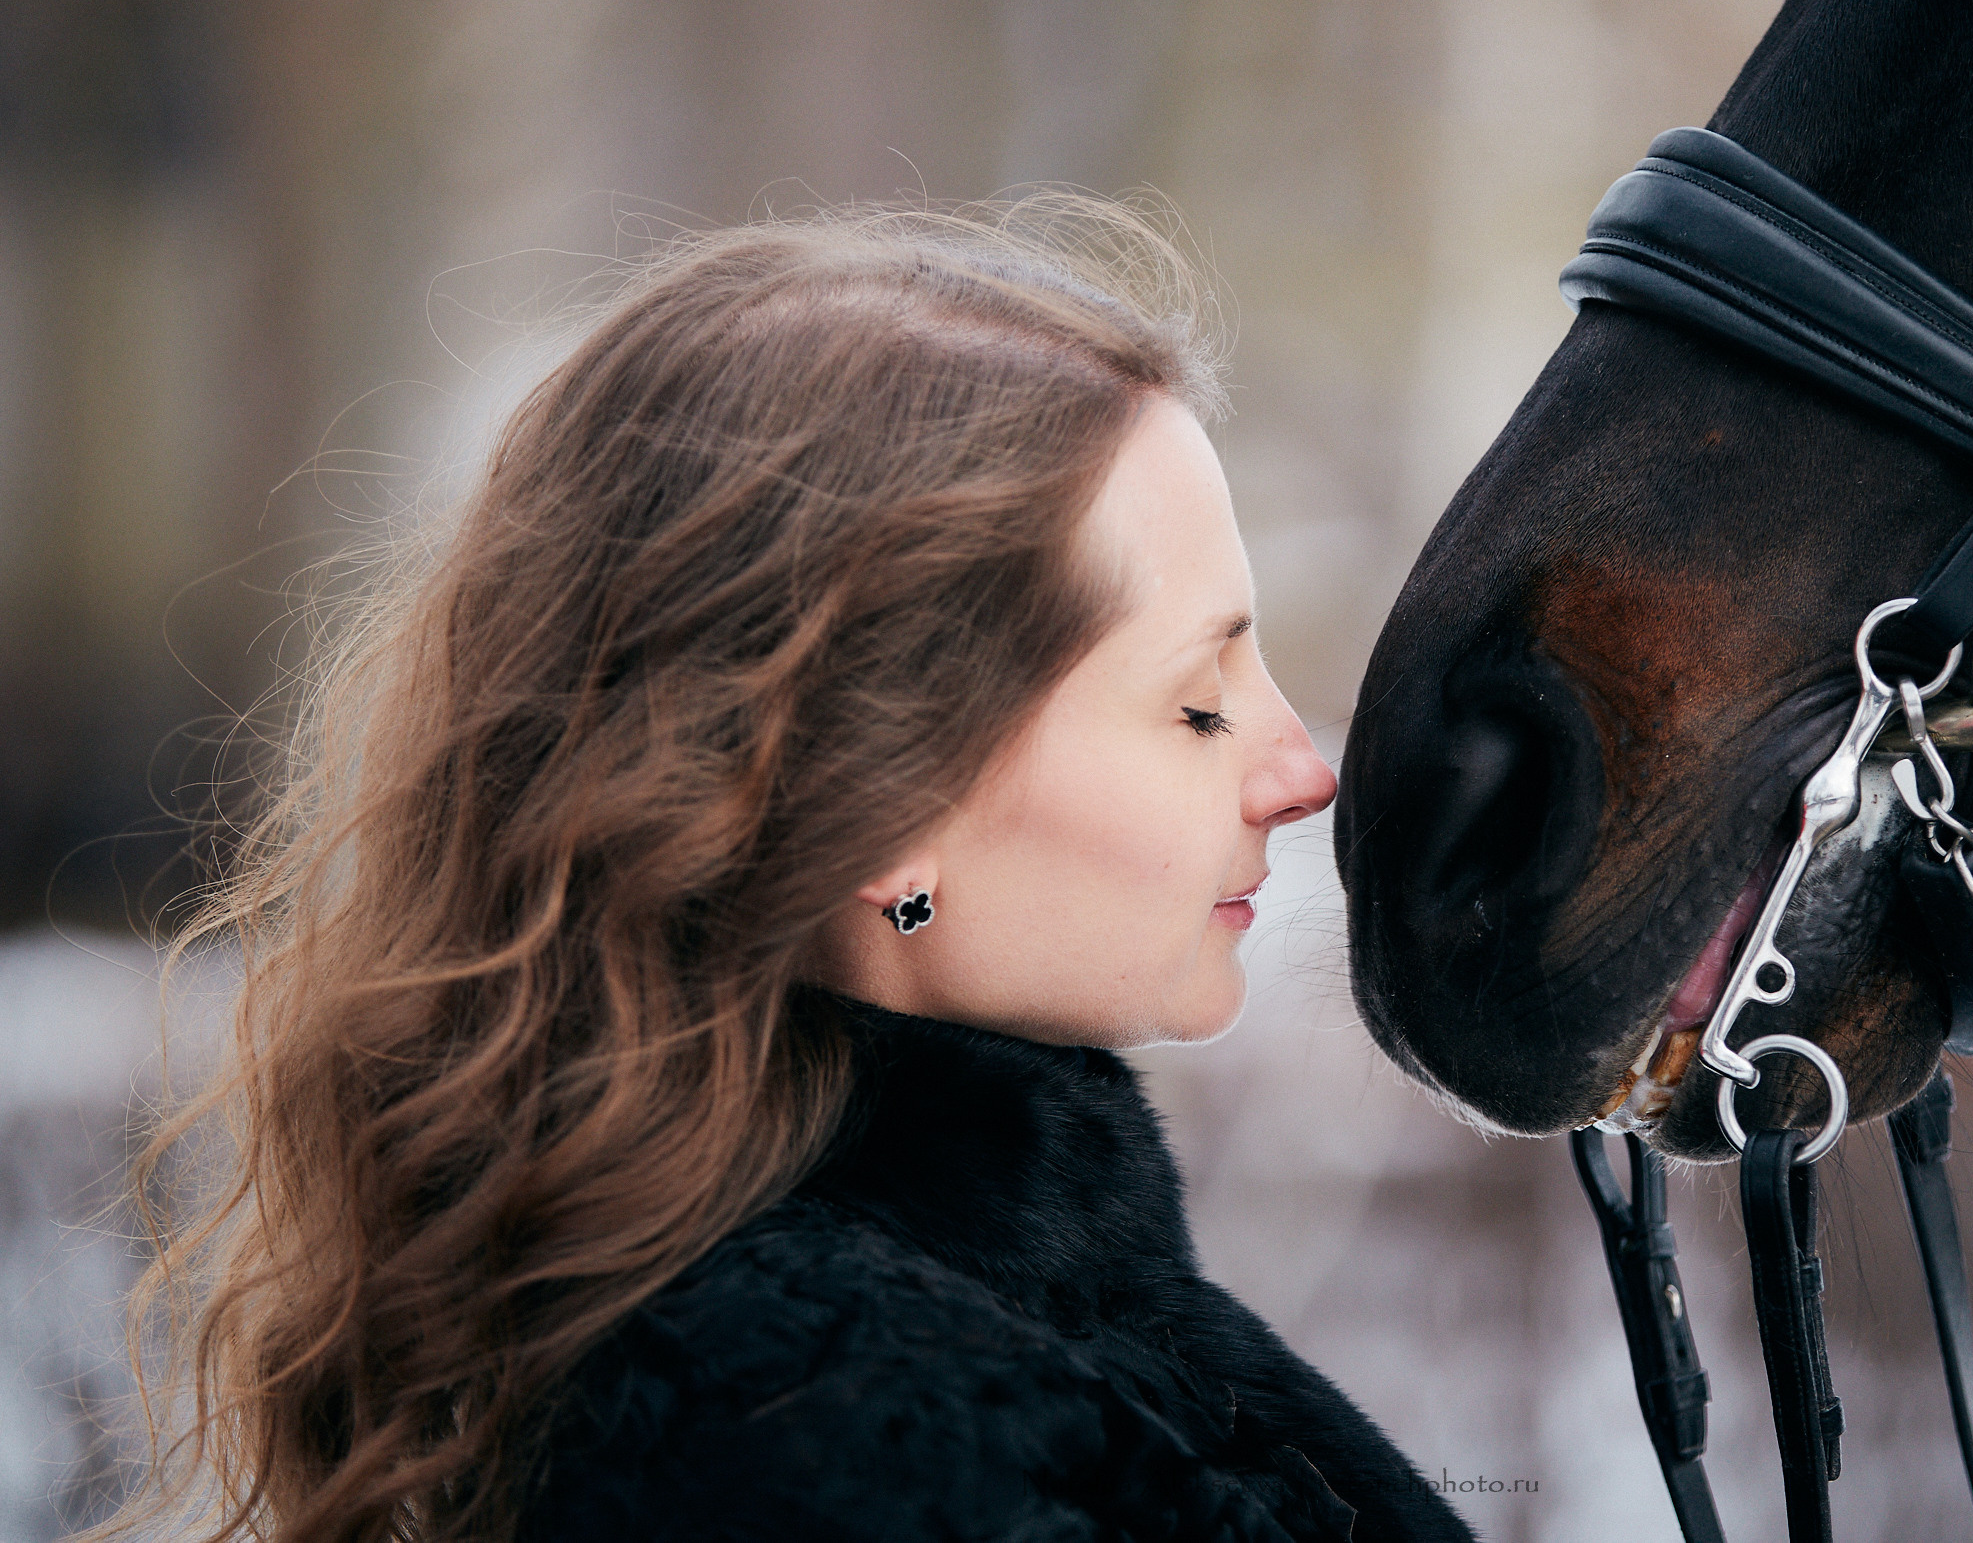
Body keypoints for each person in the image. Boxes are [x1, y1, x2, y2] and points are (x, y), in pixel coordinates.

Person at [113, 201, 1474, 1543]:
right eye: (1199, 703)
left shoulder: (944, 1334)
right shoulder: (817, 1436)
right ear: (890, 813)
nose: (1304, 770)